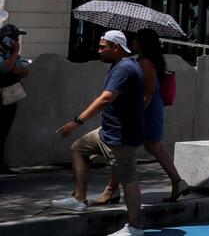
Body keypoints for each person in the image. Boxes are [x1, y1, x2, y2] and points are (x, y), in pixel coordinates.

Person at [52, 31, 145, 236]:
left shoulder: (125, 68)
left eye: (103, 47)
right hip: (107, 131)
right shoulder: (121, 65)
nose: (99, 50)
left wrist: (75, 122)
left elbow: (105, 99)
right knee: (78, 149)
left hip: (122, 137)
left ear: (116, 48)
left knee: (129, 180)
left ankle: (135, 227)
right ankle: (79, 199)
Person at [96, 30, 188, 205]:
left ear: (141, 43)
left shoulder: (145, 62)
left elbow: (147, 93)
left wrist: (136, 114)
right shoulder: (139, 61)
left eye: (136, 40)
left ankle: (111, 190)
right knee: (143, 147)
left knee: (126, 148)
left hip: (146, 110)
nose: (132, 42)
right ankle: (177, 182)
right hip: (145, 109)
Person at [0, 22, 26, 174]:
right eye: (14, 37)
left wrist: (14, 60)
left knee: (4, 131)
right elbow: (5, 68)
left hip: (9, 97)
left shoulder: (10, 52)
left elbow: (21, 69)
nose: (16, 41)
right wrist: (15, 53)